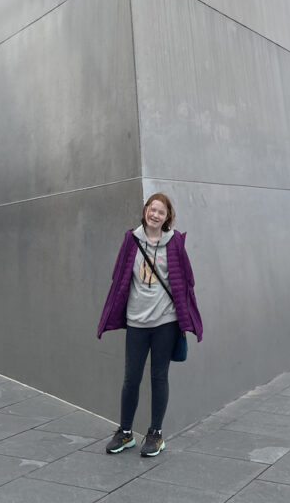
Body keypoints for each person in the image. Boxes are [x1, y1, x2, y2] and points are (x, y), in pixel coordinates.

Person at [97, 192, 203, 457]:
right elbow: (120, 277)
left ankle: (155, 434)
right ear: (145, 210)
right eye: (152, 209)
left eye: (161, 212)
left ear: (167, 218)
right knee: (131, 378)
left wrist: (185, 316)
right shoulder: (131, 240)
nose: (155, 214)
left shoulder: (175, 242)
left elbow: (187, 281)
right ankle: (125, 432)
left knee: (159, 377)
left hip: (165, 322)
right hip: (136, 321)